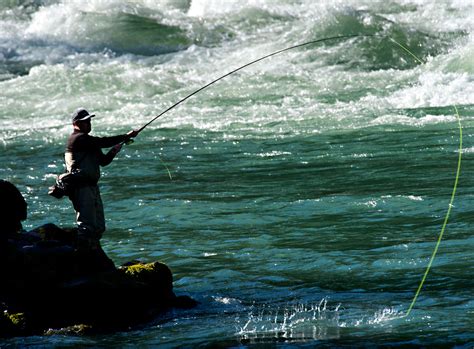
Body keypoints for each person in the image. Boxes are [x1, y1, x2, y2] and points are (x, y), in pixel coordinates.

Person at [65, 108, 139, 249]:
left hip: (92, 186)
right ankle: (84, 256)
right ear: (76, 123)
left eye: (90, 121)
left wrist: (114, 151)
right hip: (81, 187)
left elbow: (103, 161)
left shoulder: (89, 142)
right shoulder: (77, 138)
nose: (89, 123)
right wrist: (125, 136)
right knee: (86, 226)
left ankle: (94, 251)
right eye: (85, 121)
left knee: (99, 226)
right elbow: (103, 142)